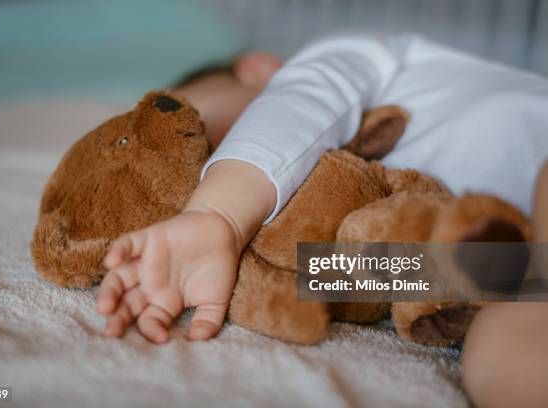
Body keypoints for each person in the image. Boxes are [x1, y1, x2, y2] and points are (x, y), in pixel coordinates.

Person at [95, 32, 548, 405]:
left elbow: (298, 105)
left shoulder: (339, 62)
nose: (209, 164)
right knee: (493, 359)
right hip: (521, 269)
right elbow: (384, 274)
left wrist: (218, 214)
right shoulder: (335, 211)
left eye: (205, 135)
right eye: (201, 174)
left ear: (257, 70)